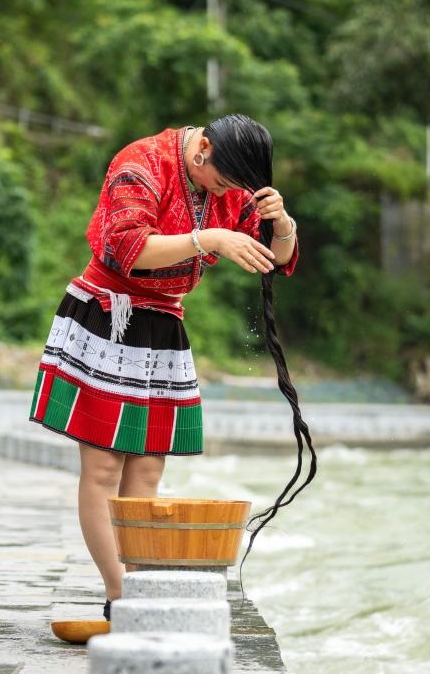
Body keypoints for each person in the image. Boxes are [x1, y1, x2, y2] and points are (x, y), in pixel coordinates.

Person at [29, 114, 299, 619]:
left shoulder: (229, 183)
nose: (227, 193)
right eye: (222, 181)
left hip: (164, 322)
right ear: (202, 152)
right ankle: (118, 594)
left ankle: (139, 585)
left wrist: (281, 223)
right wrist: (210, 239)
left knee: (149, 468)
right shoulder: (141, 162)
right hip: (108, 312)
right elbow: (133, 251)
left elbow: (276, 258)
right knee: (104, 466)